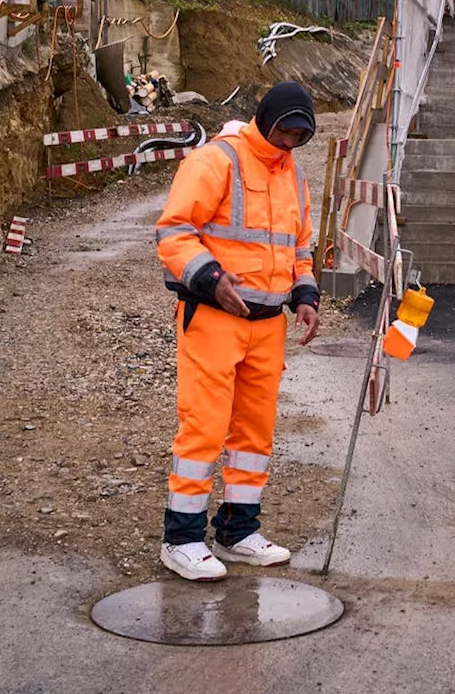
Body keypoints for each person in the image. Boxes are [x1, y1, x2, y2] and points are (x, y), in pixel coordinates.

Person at [154, 81, 321, 581]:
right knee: (204, 426)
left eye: (299, 136)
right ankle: (181, 539)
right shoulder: (215, 161)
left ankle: (236, 531)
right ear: (265, 120)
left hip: (268, 327)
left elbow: (301, 246)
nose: (289, 143)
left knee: (254, 432)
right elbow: (174, 231)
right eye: (284, 132)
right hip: (213, 320)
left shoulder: (294, 177)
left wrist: (306, 295)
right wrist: (209, 277)